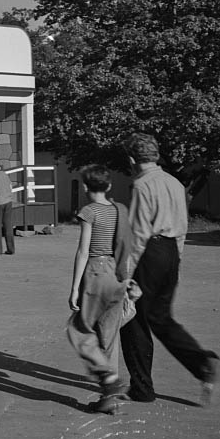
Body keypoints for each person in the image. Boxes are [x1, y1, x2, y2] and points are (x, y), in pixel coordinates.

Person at [119, 132, 219, 405]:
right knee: (161, 318)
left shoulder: (141, 185)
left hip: (149, 251)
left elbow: (138, 233)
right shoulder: (175, 183)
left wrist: (126, 275)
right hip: (171, 250)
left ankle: (141, 387)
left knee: (132, 319)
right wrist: (177, 260)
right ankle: (201, 363)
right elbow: (183, 227)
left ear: (131, 159)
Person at [66, 165, 137, 413]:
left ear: (85, 187)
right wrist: (126, 281)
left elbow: (83, 250)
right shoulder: (121, 210)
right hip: (117, 273)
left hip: (96, 272)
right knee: (109, 336)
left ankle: (108, 379)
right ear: (108, 186)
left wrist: (74, 288)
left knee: (78, 329)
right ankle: (109, 399)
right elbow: (126, 248)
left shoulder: (88, 212)